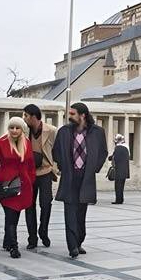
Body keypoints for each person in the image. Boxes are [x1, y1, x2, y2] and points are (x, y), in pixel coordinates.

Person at [52, 102, 108, 259]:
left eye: (72, 114)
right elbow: (56, 151)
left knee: (81, 213)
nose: (69, 116)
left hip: (86, 177)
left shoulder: (97, 132)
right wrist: (63, 166)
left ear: (83, 115)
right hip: (70, 176)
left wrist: (94, 168)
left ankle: (79, 241)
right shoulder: (64, 132)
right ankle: (72, 246)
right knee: (69, 212)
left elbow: (103, 152)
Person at [0, 117, 35, 258]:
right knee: (11, 216)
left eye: (17, 128)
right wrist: (0, 176)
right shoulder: (1, 142)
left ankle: (7, 241)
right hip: (7, 186)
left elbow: (31, 164)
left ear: (22, 129)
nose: (14, 130)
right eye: (11, 127)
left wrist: (31, 179)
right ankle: (14, 246)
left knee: (13, 215)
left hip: (23, 185)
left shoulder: (27, 143)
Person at [22, 104, 58, 249]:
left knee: (46, 203)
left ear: (33, 117)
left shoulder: (51, 130)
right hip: (29, 173)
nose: (24, 118)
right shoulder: (24, 131)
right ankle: (32, 238)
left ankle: (43, 231)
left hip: (46, 171)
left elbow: (57, 150)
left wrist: (55, 167)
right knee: (29, 205)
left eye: (26, 115)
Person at [109, 134, 130, 204]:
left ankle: (118, 200)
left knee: (117, 186)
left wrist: (110, 158)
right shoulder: (126, 148)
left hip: (118, 170)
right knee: (121, 186)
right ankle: (121, 199)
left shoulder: (117, 148)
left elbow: (115, 158)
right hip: (125, 170)